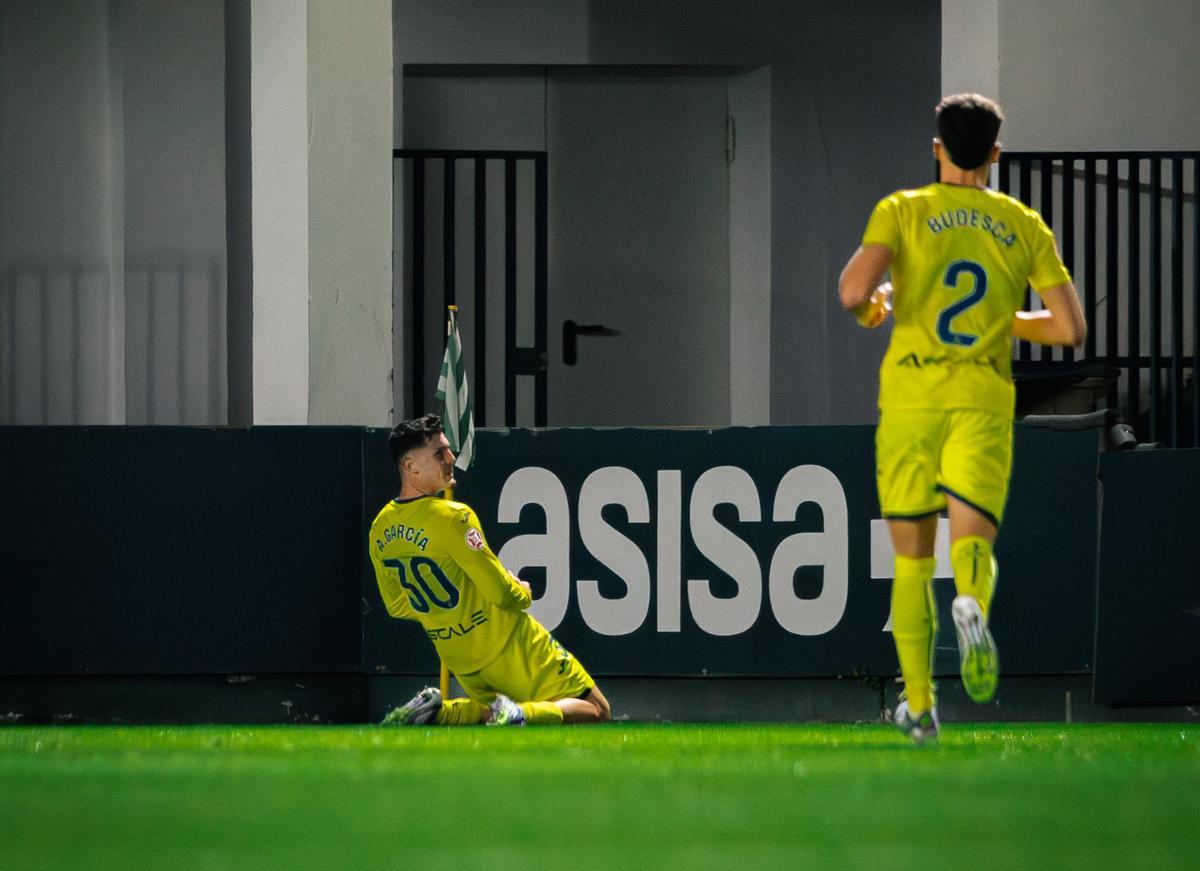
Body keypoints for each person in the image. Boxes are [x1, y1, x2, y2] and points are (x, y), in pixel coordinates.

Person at [839, 93, 1086, 743]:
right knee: (972, 541)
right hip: (981, 398)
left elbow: (852, 292)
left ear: (937, 148)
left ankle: (920, 708)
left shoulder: (904, 209)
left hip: (913, 401)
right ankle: (972, 601)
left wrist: (877, 307)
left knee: (911, 562)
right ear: (996, 153)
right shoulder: (1022, 222)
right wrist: (1000, 319)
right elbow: (1068, 326)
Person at [369, 414, 611, 726]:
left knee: (491, 712)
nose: (451, 457)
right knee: (596, 709)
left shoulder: (381, 527)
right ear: (412, 467)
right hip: (508, 644)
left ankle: (440, 712)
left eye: (448, 450)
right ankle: (519, 714)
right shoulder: (453, 517)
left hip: (460, 657)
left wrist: (451, 616)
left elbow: (396, 605)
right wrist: (523, 591)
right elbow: (502, 594)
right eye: (439, 453)